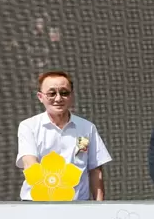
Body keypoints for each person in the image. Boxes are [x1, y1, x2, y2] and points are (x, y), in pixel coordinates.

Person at [16, 71, 112, 201]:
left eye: (64, 93)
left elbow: (95, 170)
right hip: (38, 202)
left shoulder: (87, 128)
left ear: (71, 95)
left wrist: (99, 205)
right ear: (40, 97)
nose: (58, 99)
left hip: (77, 204)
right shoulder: (29, 126)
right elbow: (30, 163)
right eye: (51, 93)